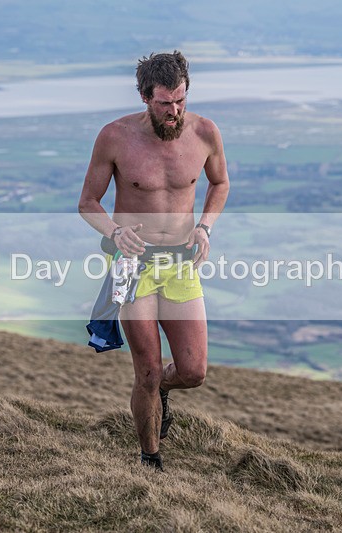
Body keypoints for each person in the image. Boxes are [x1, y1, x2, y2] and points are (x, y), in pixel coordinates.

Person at [78, 51, 230, 471]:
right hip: (135, 265)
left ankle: (163, 388)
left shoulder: (204, 132)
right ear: (145, 96)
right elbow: (87, 202)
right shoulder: (115, 137)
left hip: (182, 264)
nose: (174, 111)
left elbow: (220, 183)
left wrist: (205, 227)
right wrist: (114, 231)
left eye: (180, 100)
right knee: (144, 371)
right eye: (165, 103)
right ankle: (150, 459)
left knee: (194, 370)